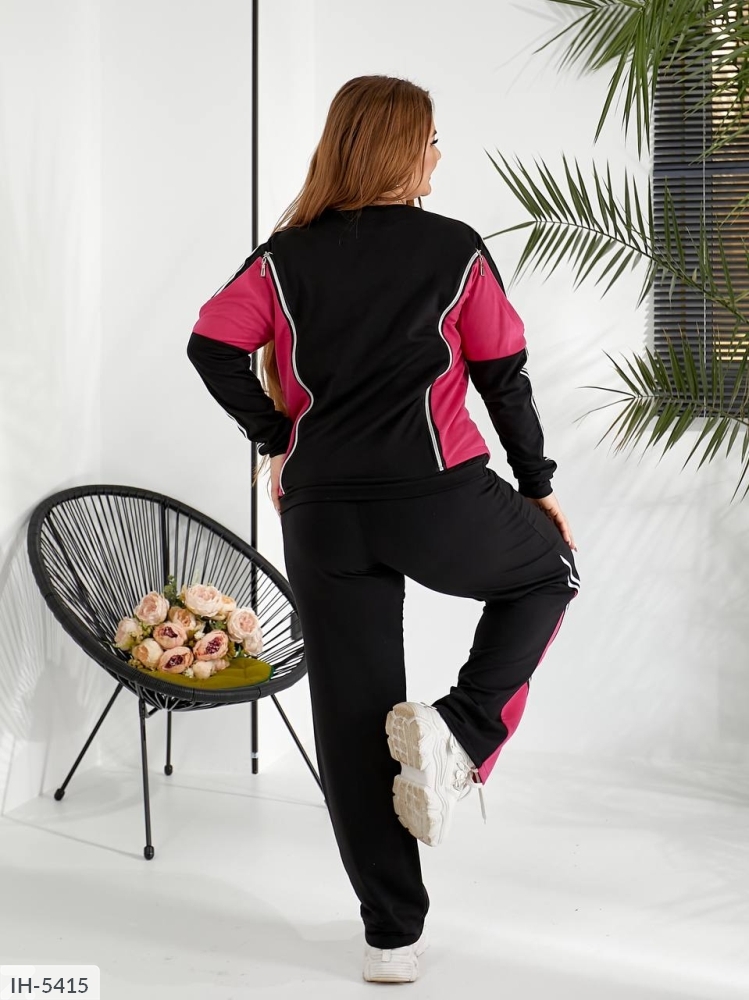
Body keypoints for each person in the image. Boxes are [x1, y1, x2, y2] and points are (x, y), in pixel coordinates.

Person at [187, 74, 580, 985]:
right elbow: (504, 378)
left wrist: (278, 438)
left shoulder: (284, 257)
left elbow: (211, 344)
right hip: (434, 495)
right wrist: (537, 487)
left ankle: (390, 938)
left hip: (321, 512)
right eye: (432, 138)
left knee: (351, 714)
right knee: (547, 571)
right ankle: (462, 728)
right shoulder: (453, 249)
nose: (439, 153)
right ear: (403, 148)